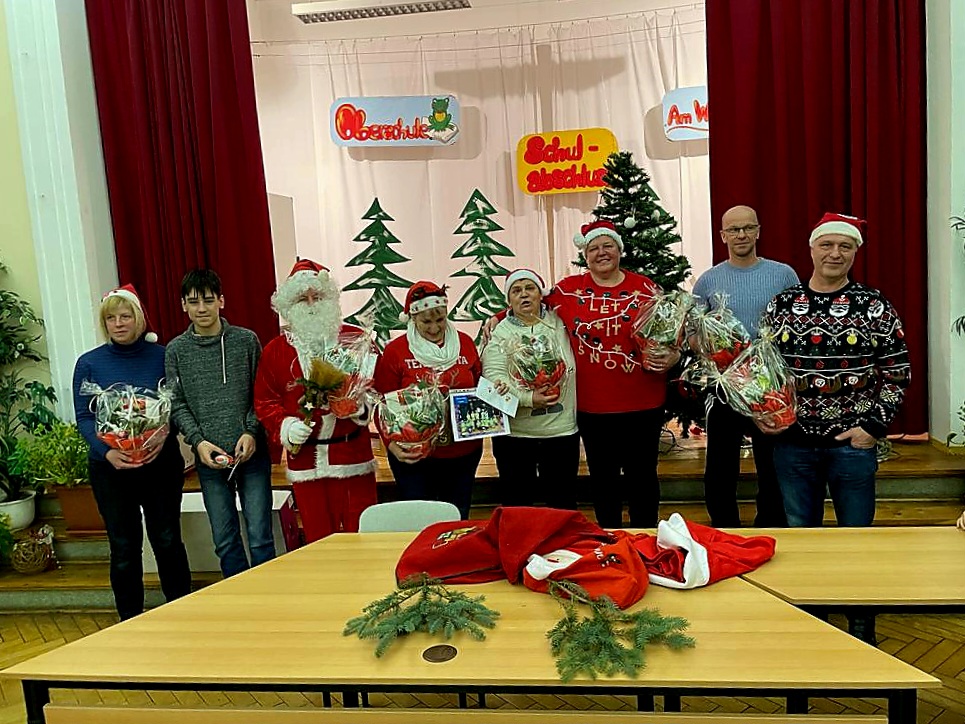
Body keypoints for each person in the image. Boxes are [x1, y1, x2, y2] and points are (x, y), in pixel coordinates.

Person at [485, 221, 677, 528]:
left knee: (643, 477)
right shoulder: (568, 290)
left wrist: (675, 354)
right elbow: (529, 303)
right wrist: (498, 317)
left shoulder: (646, 288)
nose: (601, 253)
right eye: (593, 248)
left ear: (619, 249)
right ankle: (609, 537)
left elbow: (672, 329)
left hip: (643, 404)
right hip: (593, 408)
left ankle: (645, 537)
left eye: (608, 246)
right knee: (603, 480)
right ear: (585, 255)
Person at [760, 213, 911, 527]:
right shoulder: (781, 305)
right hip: (793, 445)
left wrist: (872, 428)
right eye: (826, 244)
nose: (835, 253)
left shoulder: (873, 305)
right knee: (801, 533)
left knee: (857, 536)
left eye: (845, 246)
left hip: (852, 446)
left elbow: (898, 372)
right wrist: (765, 412)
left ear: (855, 252)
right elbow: (763, 370)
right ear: (812, 249)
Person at [72, 284, 191, 620]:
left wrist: (164, 435)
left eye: (125, 316)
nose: (118, 324)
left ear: (139, 319)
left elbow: (178, 406)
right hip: (111, 470)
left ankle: (184, 612)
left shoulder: (164, 356)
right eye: (111, 318)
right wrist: (106, 452)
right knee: (123, 547)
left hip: (159, 465)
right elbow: (84, 417)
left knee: (167, 540)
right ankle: (129, 620)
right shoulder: (89, 363)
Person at [253, 260, 377, 542]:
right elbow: (265, 400)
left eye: (317, 296)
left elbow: (376, 388)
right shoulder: (275, 351)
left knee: (362, 537)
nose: (311, 304)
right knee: (319, 540)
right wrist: (285, 426)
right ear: (289, 305)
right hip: (306, 462)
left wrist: (358, 406)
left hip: (352, 459)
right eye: (302, 298)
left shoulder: (355, 339)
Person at [692, 205, 799, 528]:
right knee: (720, 465)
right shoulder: (708, 281)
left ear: (758, 231)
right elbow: (694, 333)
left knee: (772, 462)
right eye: (734, 229)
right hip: (725, 386)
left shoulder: (783, 275)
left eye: (748, 228)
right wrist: (716, 352)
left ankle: (772, 524)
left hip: (770, 386)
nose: (741, 235)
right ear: (723, 235)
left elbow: (797, 323)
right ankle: (725, 528)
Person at [165, 269, 274, 578]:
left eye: (208, 300)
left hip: (251, 455)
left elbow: (262, 393)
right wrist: (198, 441)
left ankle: (270, 597)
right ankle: (237, 599)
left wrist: (251, 431)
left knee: (261, 538)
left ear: (221, 301)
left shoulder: (246, 341)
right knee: (225, 541)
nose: (202, 308)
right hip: (209, 459)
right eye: (193, 302)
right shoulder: (176, 350)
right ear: (183, 305)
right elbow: (176, 403)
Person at [373, 281, 482, 519]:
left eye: (440, 320)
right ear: (412, 318)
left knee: (456, 516)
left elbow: (480, 386)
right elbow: (381, 405)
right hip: (414, 456)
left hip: (462, 453)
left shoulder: (465, 343)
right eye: (426, 322)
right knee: (420, 520)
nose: (434, 328)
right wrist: (391, 444)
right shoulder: (396, 351)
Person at [481, 269, 579, 509]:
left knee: (562, 503)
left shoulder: (560, 321)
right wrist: (528, 398)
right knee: (517, 504)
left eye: (529, 288)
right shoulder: (500, 331)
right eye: (516, 291)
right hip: (516, 436)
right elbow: (494, 376)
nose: (524, 295)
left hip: (561, 431)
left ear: (540, 294)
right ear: (509, 300)